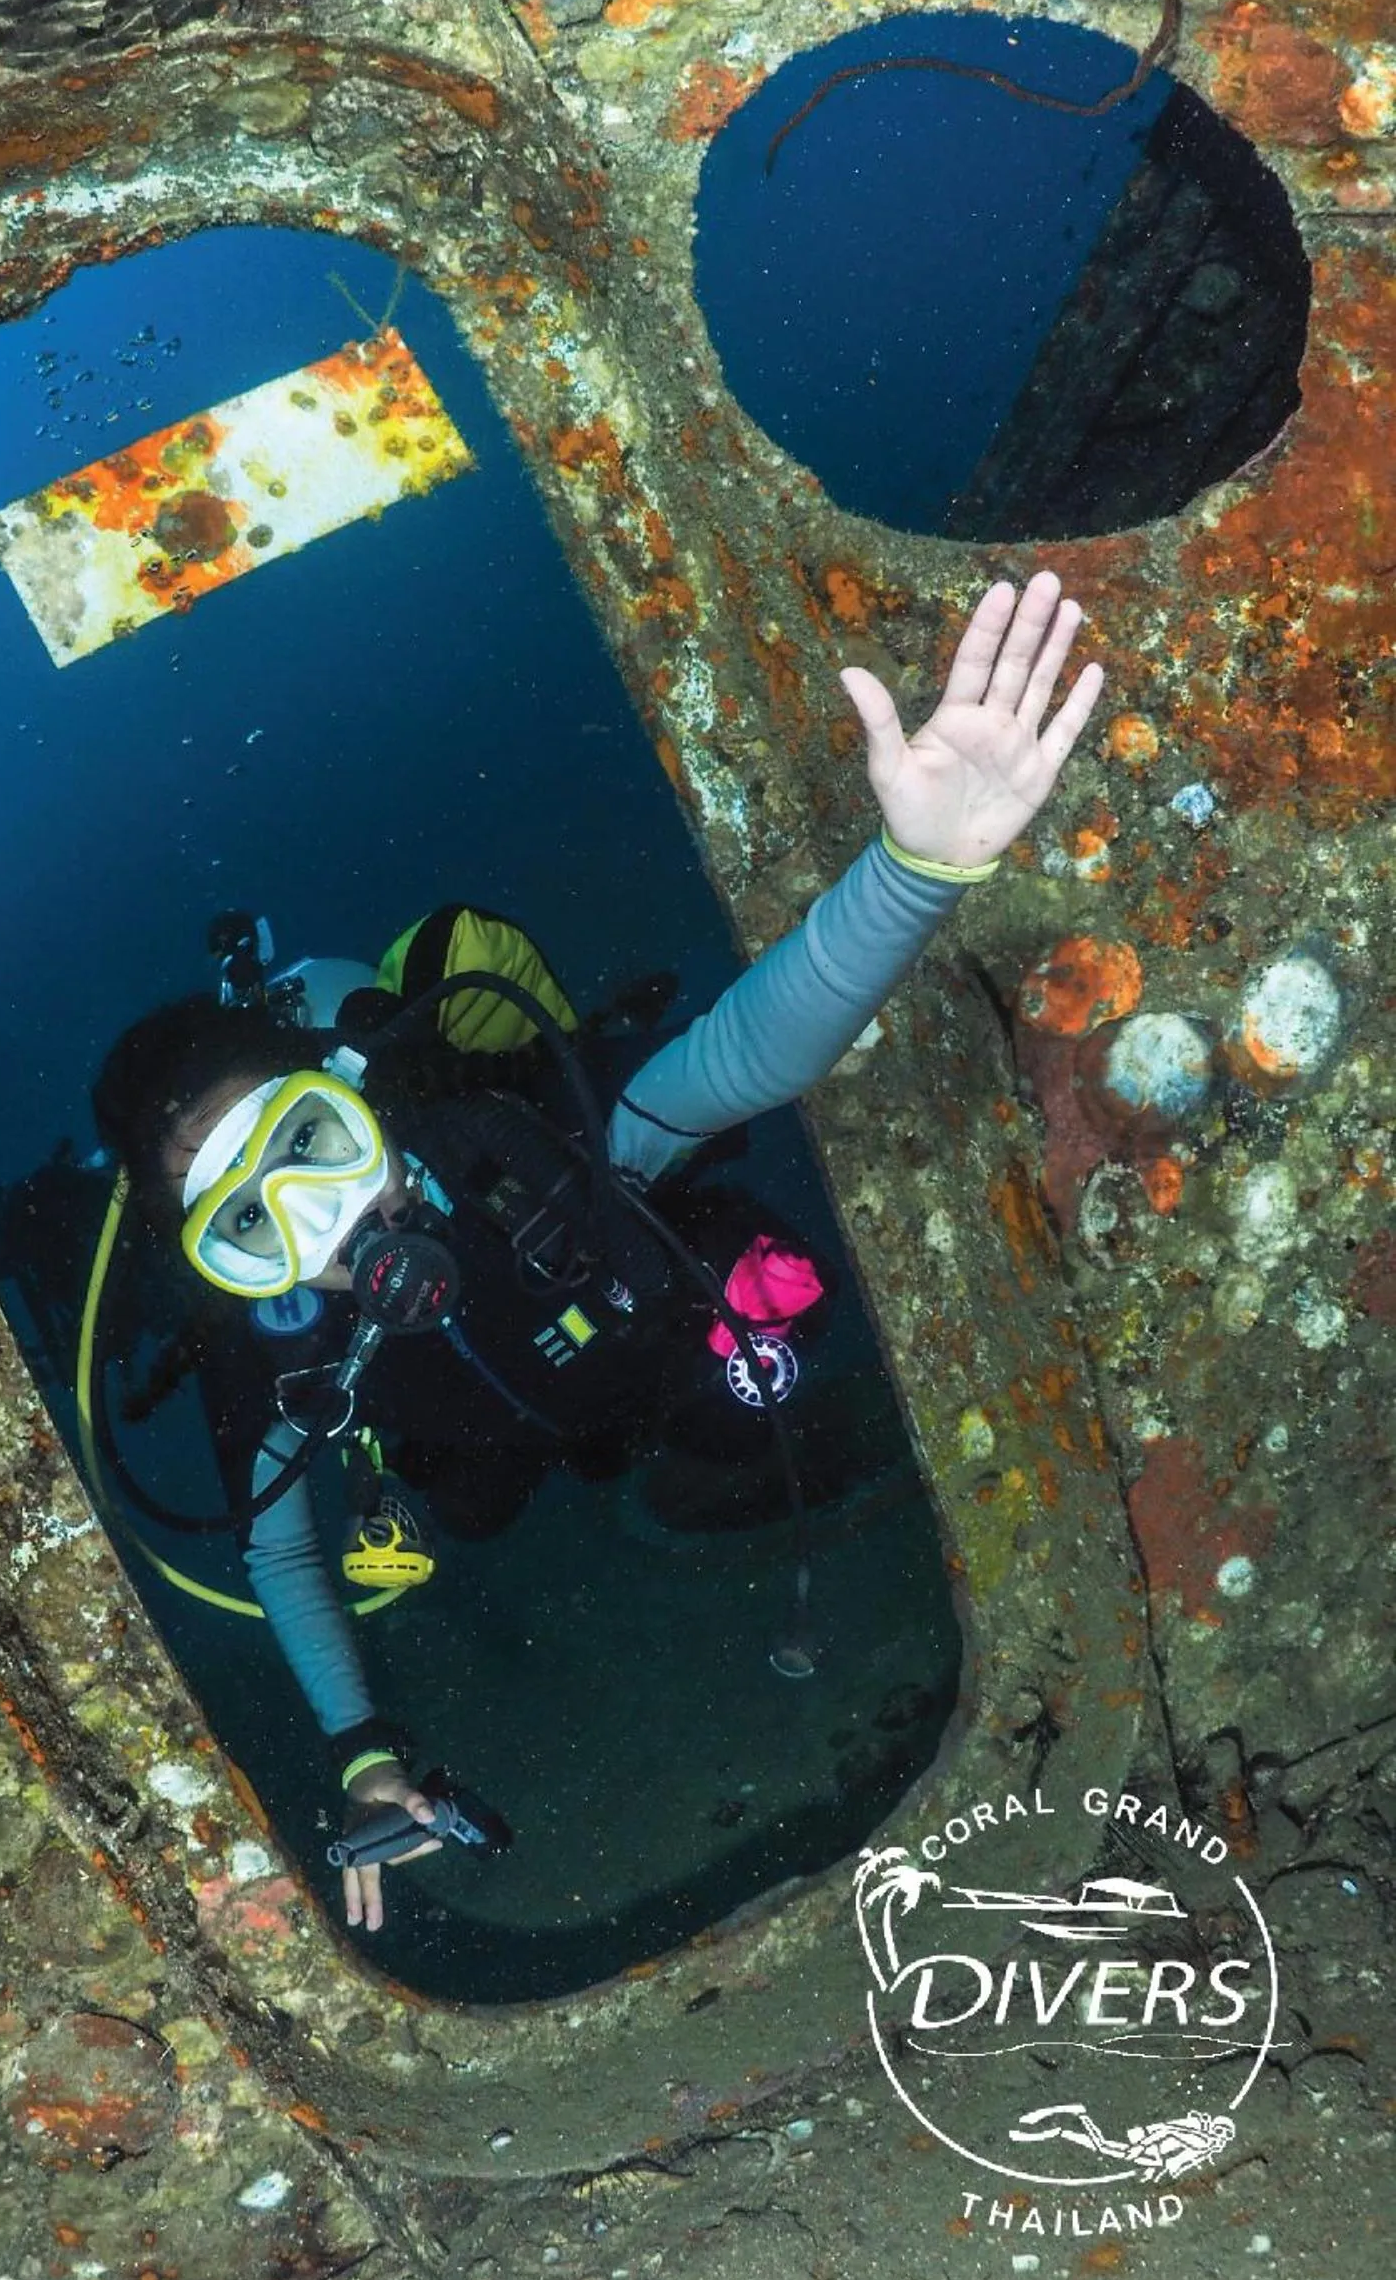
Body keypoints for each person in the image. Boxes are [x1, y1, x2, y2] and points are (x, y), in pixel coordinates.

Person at [92, 572, 1104, 1930]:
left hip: (636, 1356)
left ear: (365, 1106)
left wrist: (919, 866)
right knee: (475, 1506)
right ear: (227, 1270)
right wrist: (367, 1757)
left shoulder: (498, 1151)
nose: (319, 1229)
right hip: (493, 1448)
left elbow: (743, 1054)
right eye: (247, 1226)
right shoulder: (286, 1357)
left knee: (744, 1419)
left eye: (310, 1148)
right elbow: (280, 1556)